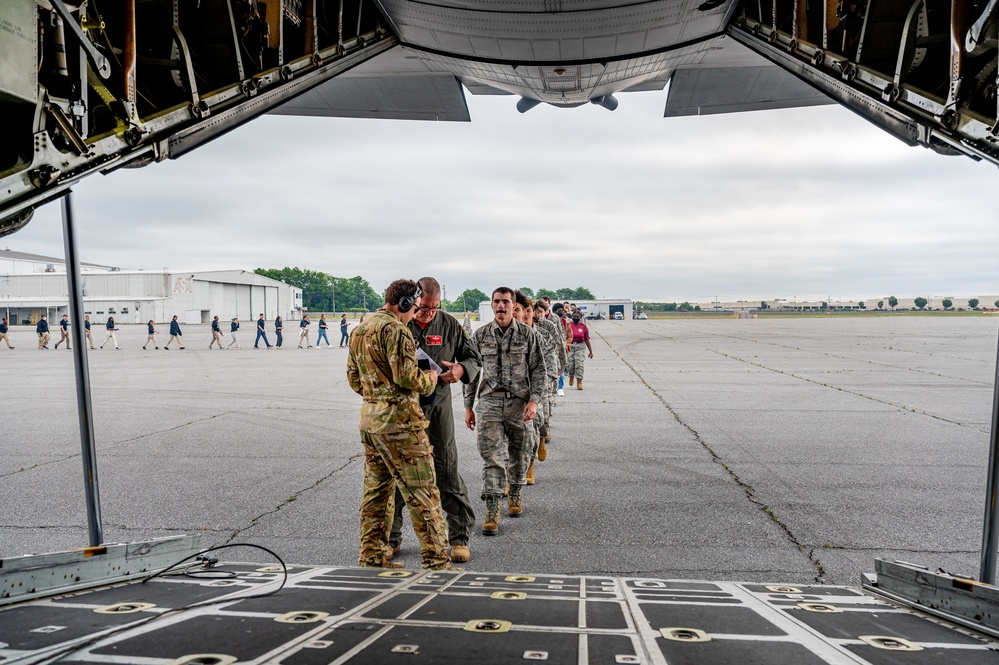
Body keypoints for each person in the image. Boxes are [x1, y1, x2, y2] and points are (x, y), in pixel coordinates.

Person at [346, 278, 454, 570]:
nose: (415, 313)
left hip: (371, 424)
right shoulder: (397, 330)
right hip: (402, 427)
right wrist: (430, 378)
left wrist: (378, 395)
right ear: (404, 304)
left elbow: (354, 380)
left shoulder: (360, 330)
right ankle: (437, 563)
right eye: (414, 307)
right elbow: (409, 378)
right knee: (423, 492)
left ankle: (371, 557)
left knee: (376, 493)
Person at [386, 277, 482, 564]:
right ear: (413, 301)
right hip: (403, 408)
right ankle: (390, 539)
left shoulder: (450, 325)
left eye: (434, 307)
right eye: (424, 307)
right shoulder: (399, 324)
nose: (428, 312)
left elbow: (474, 358)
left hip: (437, 406)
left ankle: (459, 538)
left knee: (446, 469)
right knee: (397, 474)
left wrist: (461, 371)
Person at [463, 287, 546, 535]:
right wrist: (468, 407)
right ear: (492, 305)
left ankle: (516, 493)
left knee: (520, 453)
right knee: (492, 457)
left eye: (506, 302)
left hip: (519, 403)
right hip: (488, 403)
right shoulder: (480, 335)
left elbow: (539, 370)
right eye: (497, 302)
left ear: (513, 306)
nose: (501, 306)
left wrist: (535, 400)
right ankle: (492, 509)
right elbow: (471, 373)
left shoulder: (527, 335)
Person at [567, 310, 593, 389]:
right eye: (574, 317)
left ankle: (579, 381)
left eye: (577, 317)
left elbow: (587, 339)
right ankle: (571, 376)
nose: (576, 318)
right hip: (570, 346)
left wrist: (590, 351)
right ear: (572, 317)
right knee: (570, 364)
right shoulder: (568, 325)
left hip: (580, 346)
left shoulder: (583, 327)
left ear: (580, 318)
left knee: (579, 364)